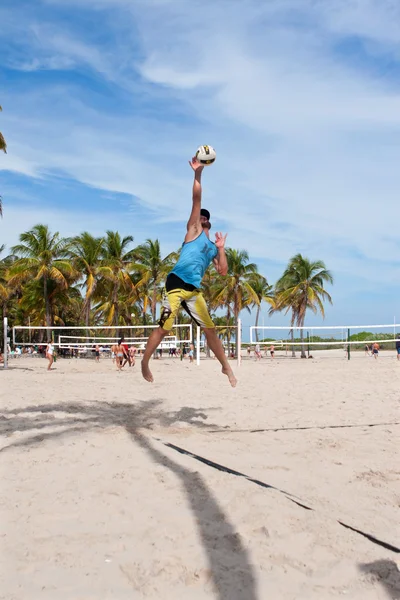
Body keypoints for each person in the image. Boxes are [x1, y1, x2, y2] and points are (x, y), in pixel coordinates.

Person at [141, 156, 237, 387]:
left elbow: (223, 271)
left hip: (193, 291)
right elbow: (196, 199)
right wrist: (198, 173)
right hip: (175, 283)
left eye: (205, 217)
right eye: (200, 216)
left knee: (210, 330)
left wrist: (222, 250)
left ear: (209, 223)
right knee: (164, 327)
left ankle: (226, 366)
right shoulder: (192, 230)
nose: (201, 217)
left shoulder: (213, 248)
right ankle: (145, 362)